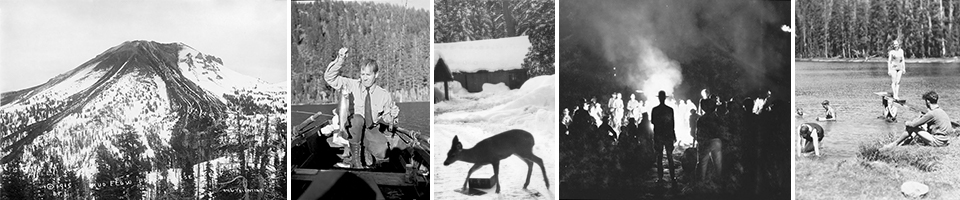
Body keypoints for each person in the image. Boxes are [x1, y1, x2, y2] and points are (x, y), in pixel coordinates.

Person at [324, 47, 402, 168]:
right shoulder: (351, 85)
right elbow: (330, 78)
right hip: (352, 127)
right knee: (358, 119)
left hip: (370, 129)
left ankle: (364, 148)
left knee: (383, 152)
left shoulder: (384, 95)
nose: (364, 78)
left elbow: (387, 119)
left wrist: (393, 116)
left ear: (376, 75)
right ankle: (356, 160)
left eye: (368, 75)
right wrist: (340, 59)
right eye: (362, 74)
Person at [885, 91, 953, 148]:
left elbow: (913, 125)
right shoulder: (940, 111)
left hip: (938, 141)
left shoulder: (931, 113)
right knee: (919, 126)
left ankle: (895, 144)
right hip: (945, 140)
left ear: (928, 101)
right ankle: (906, 142)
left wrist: (906, 122)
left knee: (911, 127)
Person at [696, 96, 726, 181]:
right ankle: (719, 182)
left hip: (705, 142)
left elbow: (698, 133)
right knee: (718, 164)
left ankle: (701, 183)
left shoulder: (701, 119)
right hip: (716, 141)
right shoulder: (717, 118)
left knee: (702, 164)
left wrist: (700, 142)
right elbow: (722, 130)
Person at [651, 91, 677, 183]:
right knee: (670, 156)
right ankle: (673, 177)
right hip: (668, 135)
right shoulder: (670, 110)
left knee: (659, 157)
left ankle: (660, 178)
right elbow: (672, 124)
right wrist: (673, 135)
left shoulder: (655, 110)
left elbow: (653, 122)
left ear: (659, 98)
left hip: (659, 135)